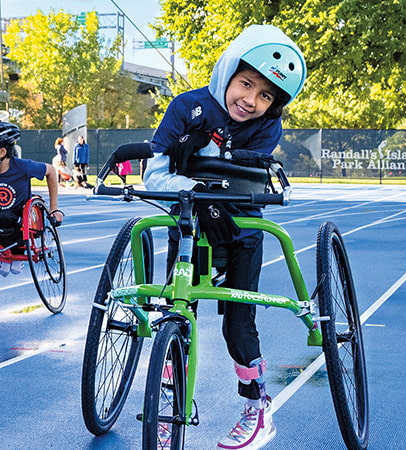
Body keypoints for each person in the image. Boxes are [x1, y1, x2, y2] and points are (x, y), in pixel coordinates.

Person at [141, 24, 306, 450]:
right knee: (178, 312)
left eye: (266, 95)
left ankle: (256, 409)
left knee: (238, 324)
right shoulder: (185, 107)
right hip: (190, 222)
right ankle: (167, 407)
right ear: (228, 70)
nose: (251, 101)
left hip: (242, 227)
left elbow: (245, 182)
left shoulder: (267, 128)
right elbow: (154, 174)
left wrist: (200, 159)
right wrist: (191, 177)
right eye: (246, 84)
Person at [0, 120, 65, 276]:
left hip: (21, 222)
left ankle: (15, 251)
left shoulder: (23, 167)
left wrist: (53, 207)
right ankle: (3, 250)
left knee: (7, 216)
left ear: (1, 152)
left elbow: (51, 171)